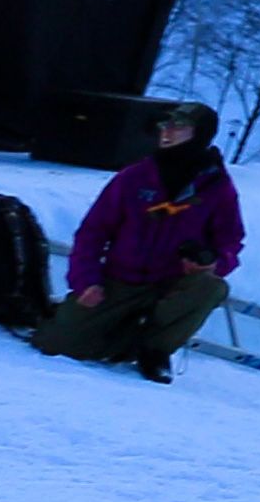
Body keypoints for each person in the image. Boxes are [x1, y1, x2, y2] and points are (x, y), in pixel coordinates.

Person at [34, 104, 244, 383]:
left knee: (212, 287)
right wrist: (86, 281)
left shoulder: (217, 188)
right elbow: (93, 232)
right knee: (54, 344)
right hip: (120, 281)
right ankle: (125, 336)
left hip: (170, 286)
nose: (167, 132)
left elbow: (231, 241)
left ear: (201, 134)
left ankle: (155, 351)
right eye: (164, 126)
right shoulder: (134, 178)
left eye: (178, 126)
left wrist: (213, 262)